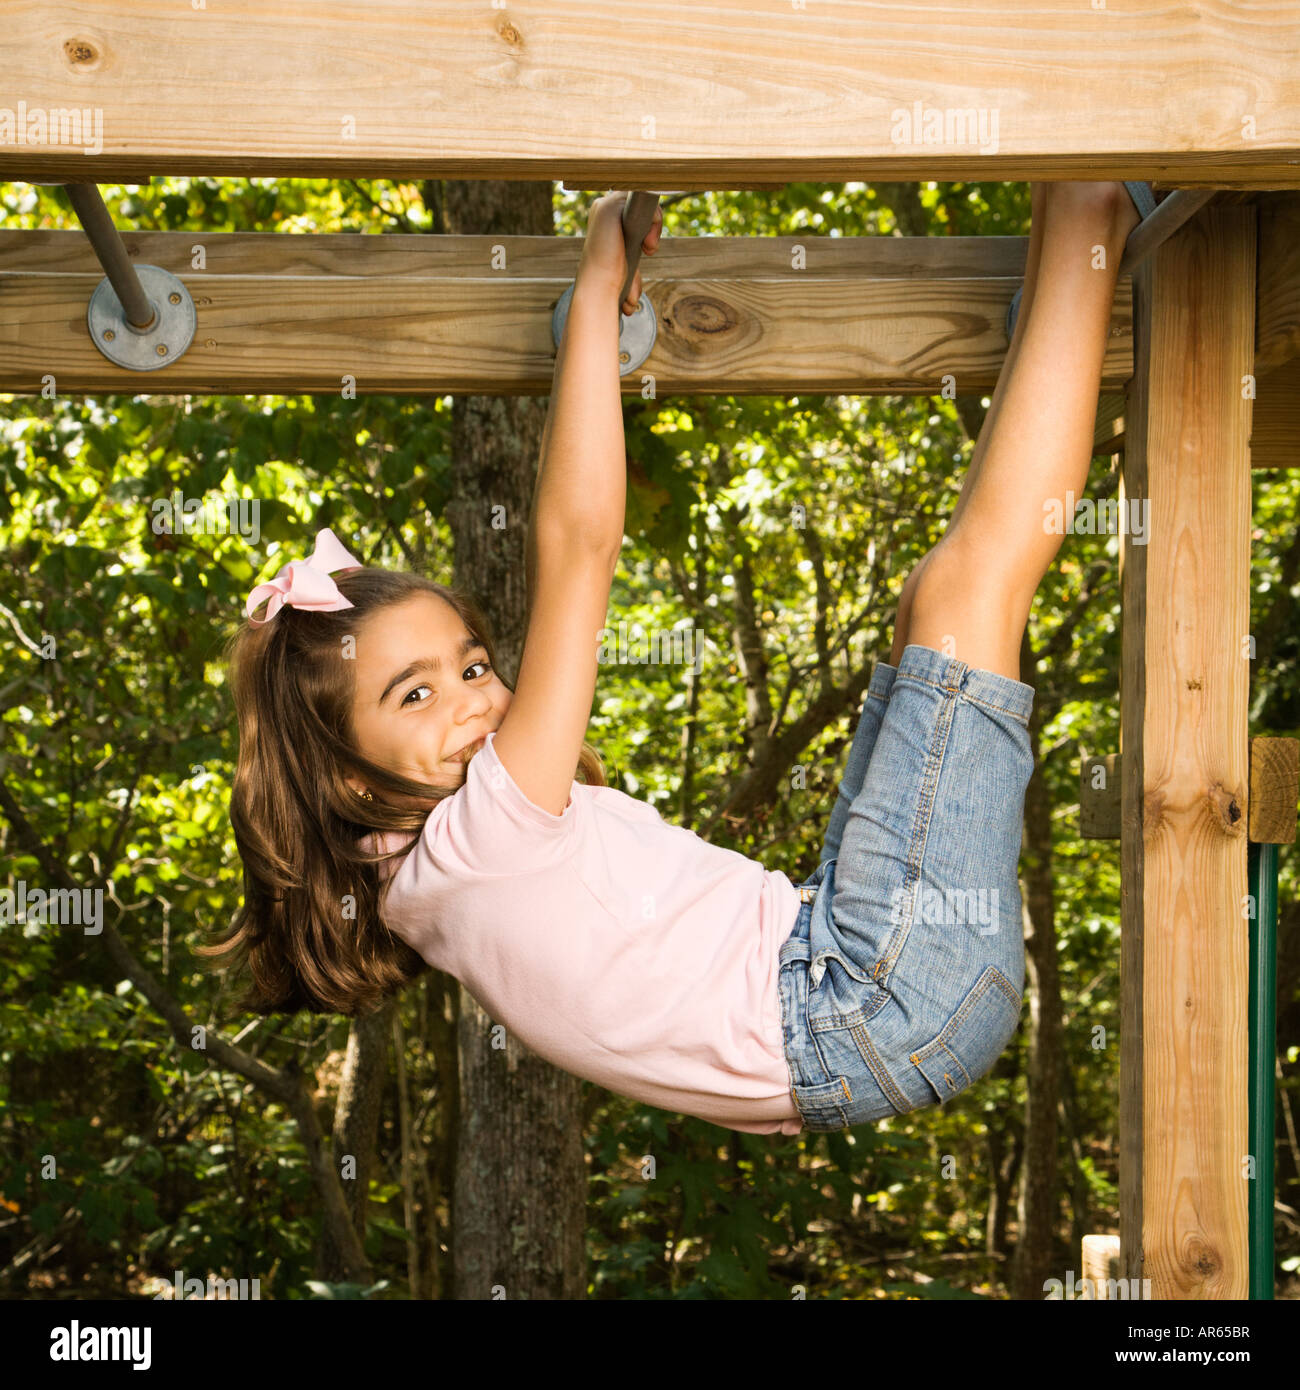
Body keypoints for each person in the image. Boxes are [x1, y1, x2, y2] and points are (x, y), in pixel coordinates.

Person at [206, 182, 1149, 1135]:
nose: (472, 701)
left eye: (474, 665)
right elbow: (580, 543)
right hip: (869, 998)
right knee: (966, 594)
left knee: (927, 614)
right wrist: (598, 278)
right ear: (351, 779)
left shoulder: (411, 875)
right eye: (414, 694)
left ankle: (1076, 263)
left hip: (850, 981)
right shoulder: (481, 837)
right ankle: (1084, 205)